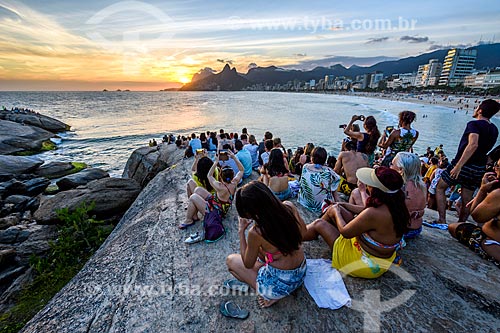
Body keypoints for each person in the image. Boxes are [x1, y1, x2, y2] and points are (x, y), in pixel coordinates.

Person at [303, 167, 409, 278]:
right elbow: (365, 210)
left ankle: (299, 236)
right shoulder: (397, 205)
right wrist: (341, 205)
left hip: (363, 264)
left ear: (376, 189)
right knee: (341, 211)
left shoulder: (373, 213)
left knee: (319, 223)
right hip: (382, 261)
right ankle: (315, 231)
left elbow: (345, 232)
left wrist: (336, 212)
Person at [226, 181, 307, 308]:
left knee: (231, 262)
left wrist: (241, 232)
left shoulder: (257, 232)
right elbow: (304, 233)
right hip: (301, 273)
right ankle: (273, 282)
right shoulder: (289, 207)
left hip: (280, 285)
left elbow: (248, 264)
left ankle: (271, 295)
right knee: (265, 250)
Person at [436, 99, 500, 223]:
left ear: (480, 110)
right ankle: (461, 224)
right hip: (478, 167)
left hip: (464, 164)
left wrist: (459, 165)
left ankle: (442, 220)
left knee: (440, 187)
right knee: (467, 199)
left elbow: (473, 145)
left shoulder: (474, 124)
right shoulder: (494, 129)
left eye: (477, 107)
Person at [448, 161, 500, 268]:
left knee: (453, 227)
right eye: (495, 165)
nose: (495, 169)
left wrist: (482, 189)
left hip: (494, 244)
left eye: (498, 166)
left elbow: (477, 216)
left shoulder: (498, 194)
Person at [181, 150, 244, 229]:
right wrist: (234, 158)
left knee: (193, 197)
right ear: (233, 175)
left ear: (220, 176)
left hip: (216, 212)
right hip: (218, 205)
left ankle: (189, 220)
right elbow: (241, 170)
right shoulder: (234, 183)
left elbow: (209, 175)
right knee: (198, 190)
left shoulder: (219, 186)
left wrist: (216, 162)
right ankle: (194, 215)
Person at [391, 152, 427, 239]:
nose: (390, 167)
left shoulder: (400, 186)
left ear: (401, 170)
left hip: (403, 231)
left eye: (392, 164)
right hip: (417, 229)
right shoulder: (422, 185)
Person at [298, 147, 340, 213]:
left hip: (305, 202)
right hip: (321, 205)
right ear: (324, 159)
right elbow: (337, 180)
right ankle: (338, 204)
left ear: (312, 158)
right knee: (332, 188)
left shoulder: (305, 167)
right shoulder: (329, 172)